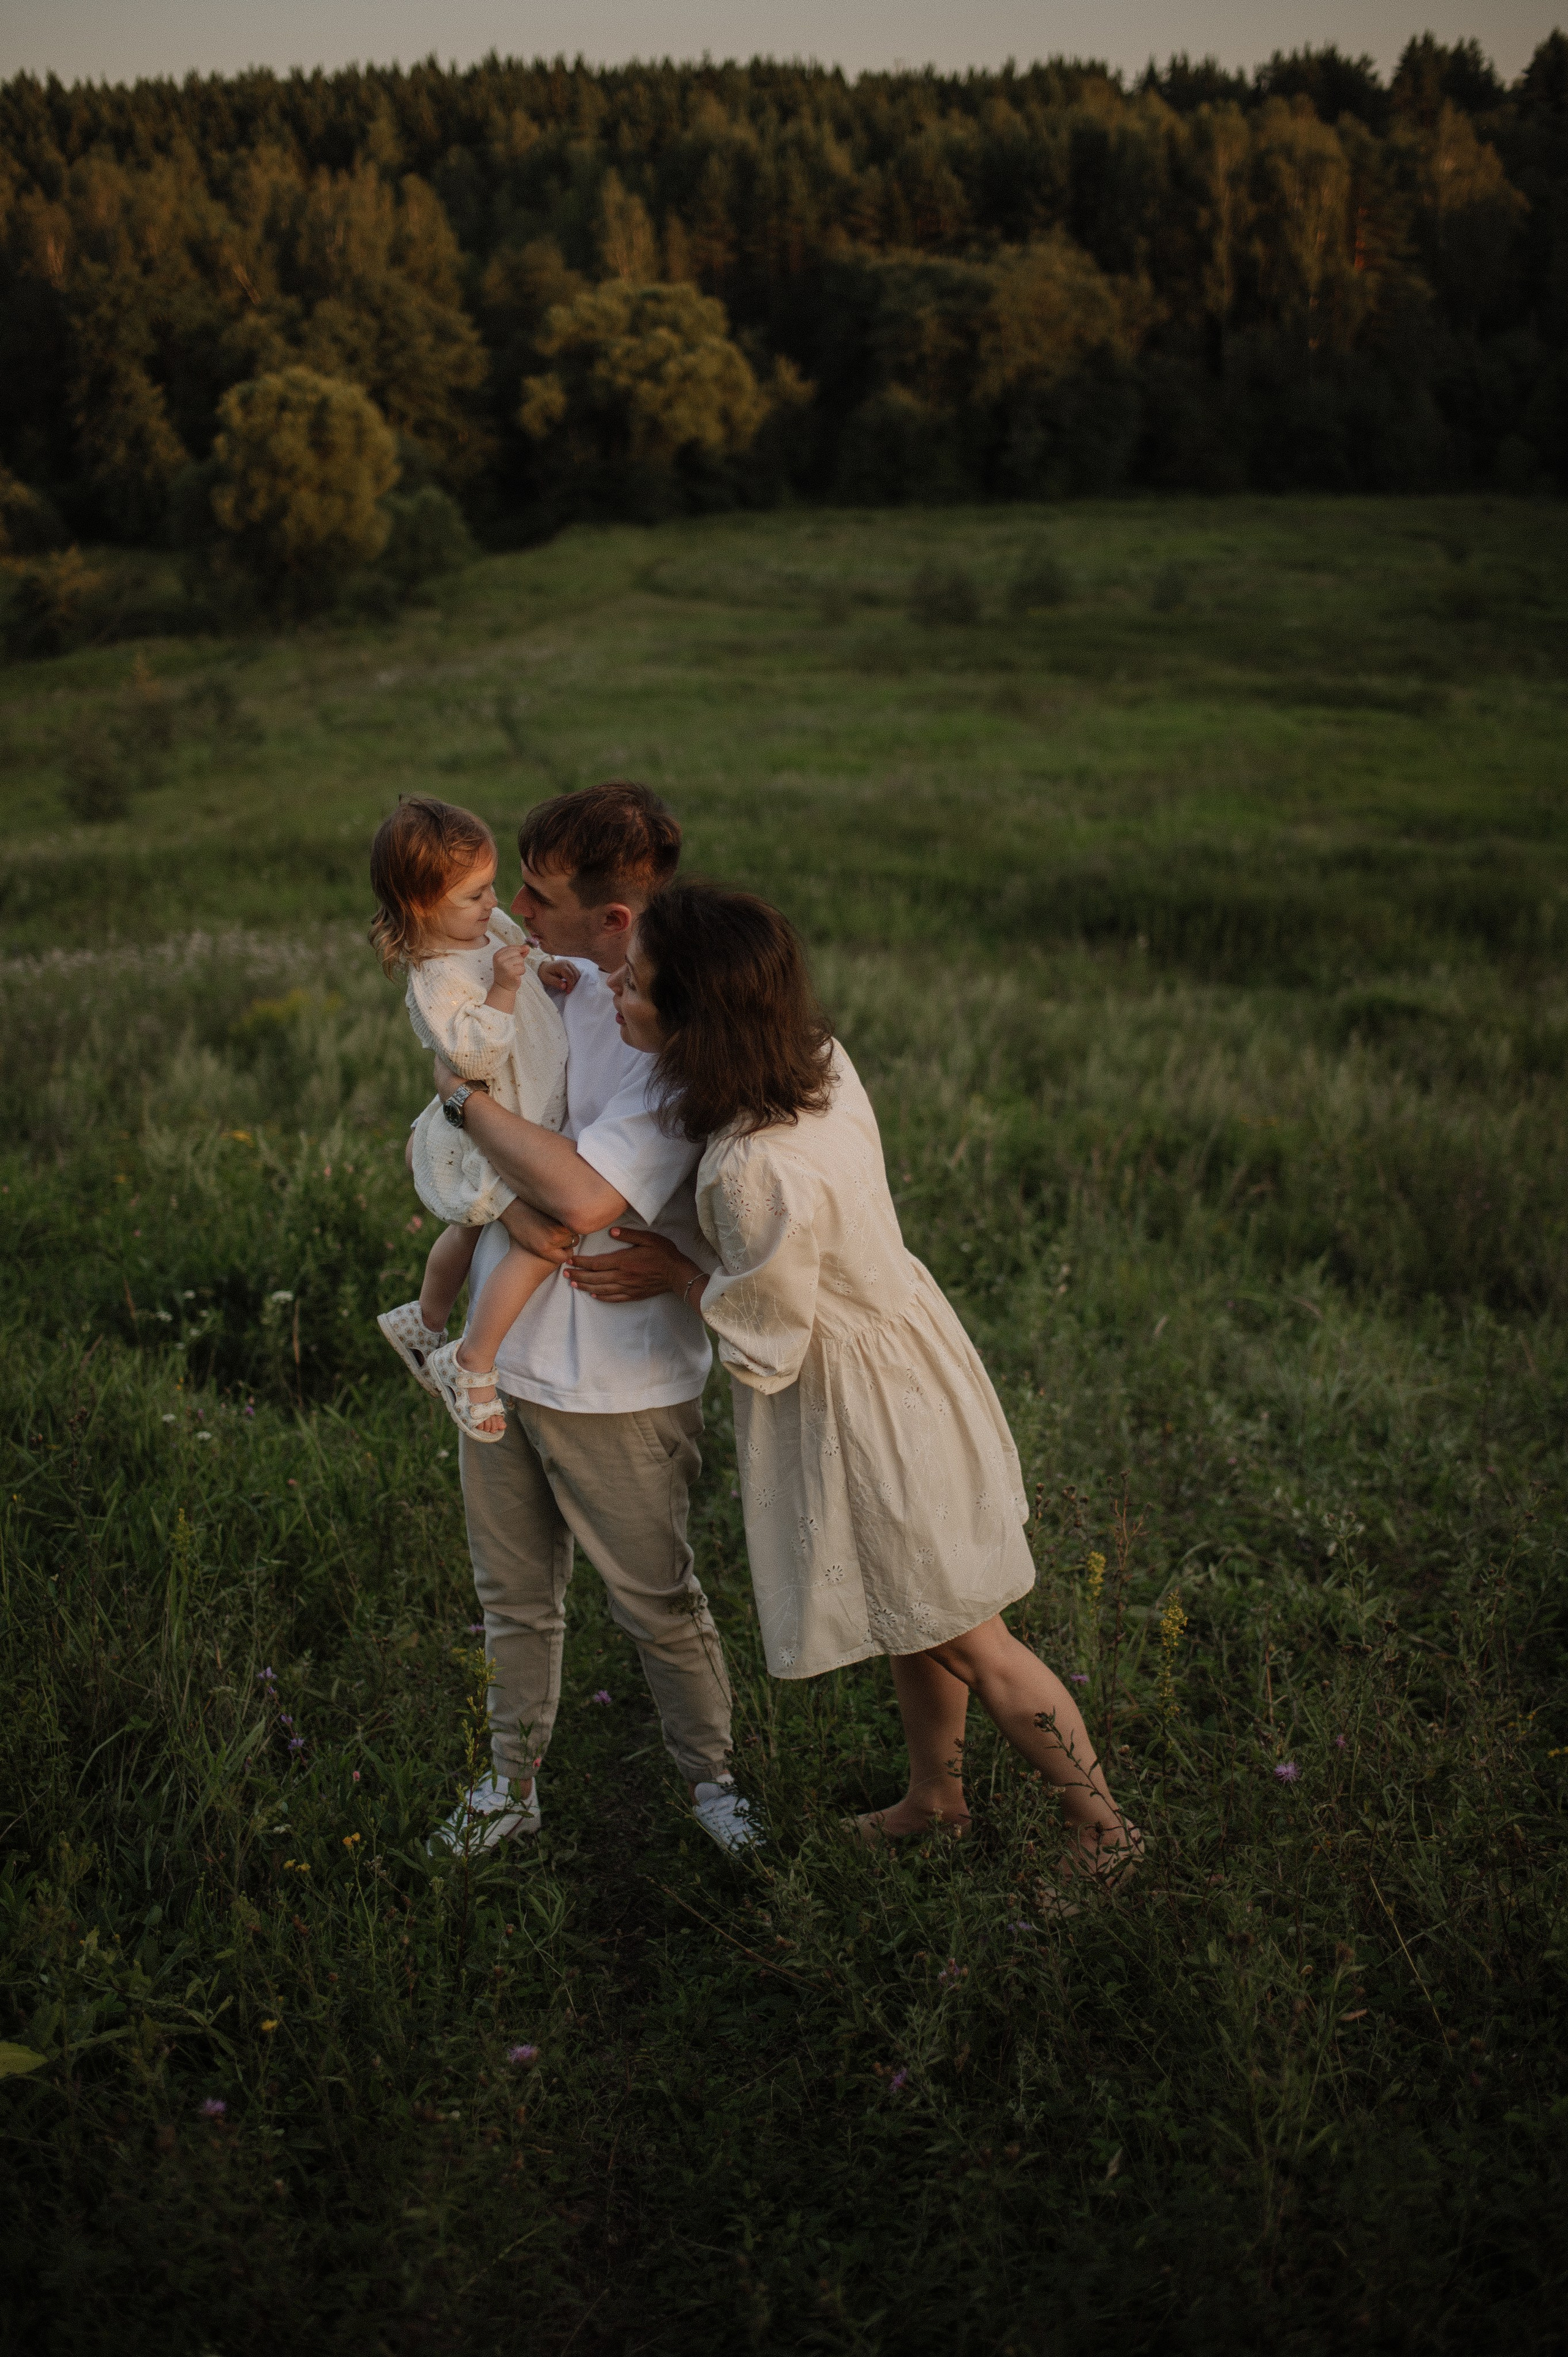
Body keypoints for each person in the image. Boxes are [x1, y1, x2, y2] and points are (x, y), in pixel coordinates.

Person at [566, 881, 1139, 1889]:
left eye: (641, 983)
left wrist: (678, 1272)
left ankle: (1103, 1831)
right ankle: (935, 1798)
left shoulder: (754, 1166)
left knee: (975, 1639)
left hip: (863, 1410)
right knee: (907, 1612)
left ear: (697, 1020)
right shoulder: (816, 1063)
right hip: (905, 1353)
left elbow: (771, 1334)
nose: (621, 989)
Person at [422, 785, 756, 1859]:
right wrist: (476, 1139)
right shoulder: (539, 976)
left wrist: (466, 1107)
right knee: (511, 1598)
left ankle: (713, 1785)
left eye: (538, 892)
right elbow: (458, 1111)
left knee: (657, 1601)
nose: (513, 907)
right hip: (499, 1357)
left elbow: (581, 1200)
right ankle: (508, 1783)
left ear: (617, 919)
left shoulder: (672, 1035)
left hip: (620, 1380)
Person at [369, 795, 582, 1444]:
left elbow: (520, 947)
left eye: (490, 886)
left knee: (468, 1228)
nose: (494, 904)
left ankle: (421, 1319)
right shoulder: (436, 975)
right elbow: (470, 1054)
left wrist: (545, 968)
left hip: (518, 1111)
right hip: (495, 1118)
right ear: (421, 906)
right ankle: (469, 1361)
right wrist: (506, 987)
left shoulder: (486, 932)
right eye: (474, 895)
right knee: (526, 1236)